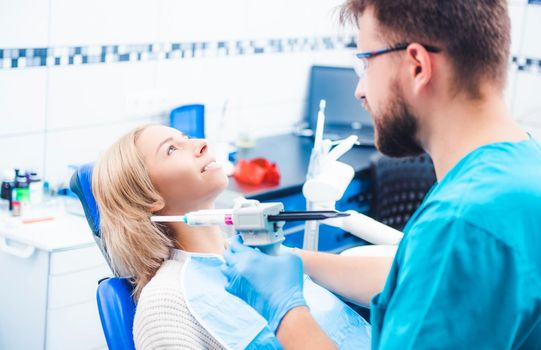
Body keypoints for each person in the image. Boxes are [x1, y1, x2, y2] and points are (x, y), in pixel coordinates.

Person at [222, 0, 541, 349]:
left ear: (417, 65)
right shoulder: (518, 166)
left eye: (365, 64)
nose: (359, 91)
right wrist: (296, 261)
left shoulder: (461, 221)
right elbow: (414, 278)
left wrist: (283, 308)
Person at [92, 124, 371, 349]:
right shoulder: (165, 303)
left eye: (186, 137)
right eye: (172, 149)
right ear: (148, 196)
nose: (201, 142)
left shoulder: (263, 260)